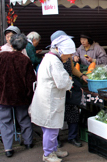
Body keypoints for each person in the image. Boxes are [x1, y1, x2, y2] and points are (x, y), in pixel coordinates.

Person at [0, 34, 36, 157]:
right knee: (24, 119)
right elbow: (31, 80)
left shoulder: (0, 57)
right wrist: (29, 96)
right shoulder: (25, 60)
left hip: (3, 95)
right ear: (24, 46)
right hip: (21, 96)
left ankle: (8, 149)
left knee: (5, 122)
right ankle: (28, 142)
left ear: (11, 44)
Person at [29, 33, 76, 162]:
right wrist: (69, 80)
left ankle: (53, 149)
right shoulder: (54, 61)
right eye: (68, 54)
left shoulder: (49, 58)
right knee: (51, 128)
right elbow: (62, 82)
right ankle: (48, 154)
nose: (70, 56)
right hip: (50, 100)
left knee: (50, 128)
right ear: (61, 51)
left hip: (47, 98)